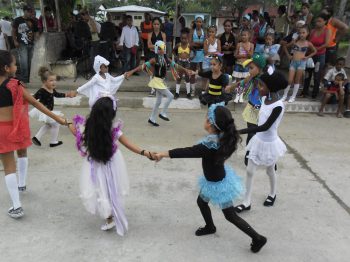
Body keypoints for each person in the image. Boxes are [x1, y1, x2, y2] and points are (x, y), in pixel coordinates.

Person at [153, 103, 267, 253]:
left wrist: (162, 154)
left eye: (206, 118)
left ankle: (258, 238)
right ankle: (210, 226)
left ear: (211, 124)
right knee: (201, 202)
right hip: (213, 180)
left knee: (230, 216)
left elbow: (187, 151)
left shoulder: (209, 146)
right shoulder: (223, 136)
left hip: (218, 184)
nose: (204, 119)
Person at [69, 96, 154, 234]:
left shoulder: (87, 127)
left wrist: (67, 124)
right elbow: (129, 145)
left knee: (101, 188)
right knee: (112, 187)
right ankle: (111, 214)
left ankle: (109, 217)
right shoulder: (113, 129)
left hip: (95, 164)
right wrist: (145, 153)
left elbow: (77, 133)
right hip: (113, 162)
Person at [0, 50, 67, 218]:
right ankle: (21, 185)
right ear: (7, 68)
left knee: (8, 166)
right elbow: (37, 104)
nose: (16, 66)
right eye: (14, 64)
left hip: (2, 130)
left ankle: (17, 205)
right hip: (17, 126)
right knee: (21, 153)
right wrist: (57, 118)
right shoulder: (15, 85)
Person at [234, 71, 288, 213]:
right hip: (258, 141)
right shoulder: (264, 100)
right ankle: (246, 202)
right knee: (250, 170)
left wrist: (239, 132)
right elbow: (259, 119)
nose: (258, 87)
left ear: (271, 87)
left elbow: (265, 127)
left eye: (262, 86)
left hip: (270, 143)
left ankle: (272, 193)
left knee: (270, 170)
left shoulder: (278, 106)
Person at [226, 54, 267, 166]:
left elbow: (269, 93)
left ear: (260, 68)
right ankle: (249, 154)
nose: (249, 70)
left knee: (262, 135)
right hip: (251, 109)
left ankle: (266, 156)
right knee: (251, 133)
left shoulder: (263, 81)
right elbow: (242, 82)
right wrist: (231, 87)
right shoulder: (252, 78)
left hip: (262, 111)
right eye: (249, 68)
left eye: (251, 68)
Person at [135, 40, 187, 126]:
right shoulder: (154, 59)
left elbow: (176, 65)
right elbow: (142, 66)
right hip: (157, 81)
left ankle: (152, 118)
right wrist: (130, 72)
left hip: (161, 81)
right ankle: (163, 113)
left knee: (158, 102)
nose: (162, 50)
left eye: (163, 48)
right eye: (160, 49)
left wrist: (186, 70)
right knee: (170, 96)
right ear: (156, 49)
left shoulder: (166, 59)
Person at [30, 67, 76, 147]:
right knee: (56, 124)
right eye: (51, 80)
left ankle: (37, 138)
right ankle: (53, 142)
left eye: (55, 80)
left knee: (50, 125)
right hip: (44, 112)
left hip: (49, 112)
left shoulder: (51, 89)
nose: (54, 82)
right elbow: (33, 98)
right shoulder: (42, 91)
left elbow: (57, 94)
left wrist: (67, 95)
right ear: (44, 81)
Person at [282, 25, 317, 102]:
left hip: (301, 64)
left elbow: (315, 51)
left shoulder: (308, 43)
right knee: (289, 80)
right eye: (300, 33)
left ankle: (293, 97)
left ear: (307, 33)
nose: (301, 34)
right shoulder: (295, 42)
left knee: (297, 80)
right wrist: (288, 56)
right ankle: (284, 96)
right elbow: (284, 46)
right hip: (293, 63)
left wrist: (307, 57)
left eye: (303, 33)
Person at [303, 14, 331, 99]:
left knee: (317, 74)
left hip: (320, 55)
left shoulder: (327, 31)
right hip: (310, 55)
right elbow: (308, 41)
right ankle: (304, 91)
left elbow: (326, 44)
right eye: (316, 21)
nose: (317, 23)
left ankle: (314, 93)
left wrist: (316, 49)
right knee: (308, 73)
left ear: (325, 22)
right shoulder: (313, 31)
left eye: (319, 21)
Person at [12, 5, 39, 83]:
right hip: (21, 44)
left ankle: (30, 79)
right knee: (24, 62)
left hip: (31, 44)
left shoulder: (33, 21)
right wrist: (15, 41)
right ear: (25, 11)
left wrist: (36, 39)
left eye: (31, 12)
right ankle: (24, 79)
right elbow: (13, 31)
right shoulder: (17, 20)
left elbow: (36, 31)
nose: (31, 13)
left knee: (30, 62)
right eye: (29, 12)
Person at [233, 30, 254, 103]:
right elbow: (235, 55)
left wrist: (245, 49)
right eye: (242, 35)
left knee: (244, 81)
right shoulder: (239, 44)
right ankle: (237, 95)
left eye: (245, 35)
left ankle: (241, 95)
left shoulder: (251, 45)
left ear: (249, 36)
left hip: (246, 65)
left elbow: (251, 56)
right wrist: (241, 55)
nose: (243, 37)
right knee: (238, 81)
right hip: (238, 64)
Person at [173, 29, 192, 99]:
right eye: (182, 38)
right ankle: (177, 92)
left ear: (188, 39)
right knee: (179, 77)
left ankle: (188, 93)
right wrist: (175, 56)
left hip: (187, 62)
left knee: (187, 77)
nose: (184, 40)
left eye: (185, 38)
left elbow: (195, 51)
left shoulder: (189, 46)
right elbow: (173, 51)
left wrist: (191, 57)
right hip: (180, 62)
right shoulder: (178, 45)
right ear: (180, 38)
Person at [189, 15, 206, 96]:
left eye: (200, 22)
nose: (199, 23)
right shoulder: (192, 31)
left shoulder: (204, 31)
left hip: (202, 53)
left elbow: (205, 43)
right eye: (197, 21)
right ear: (195, 22)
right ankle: (192, 90)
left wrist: (197, 43)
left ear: (202, 22)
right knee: (192, 72)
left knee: (203, 72)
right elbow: (190, 44)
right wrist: (199, 44)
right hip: (194, 53)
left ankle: (203, 90)